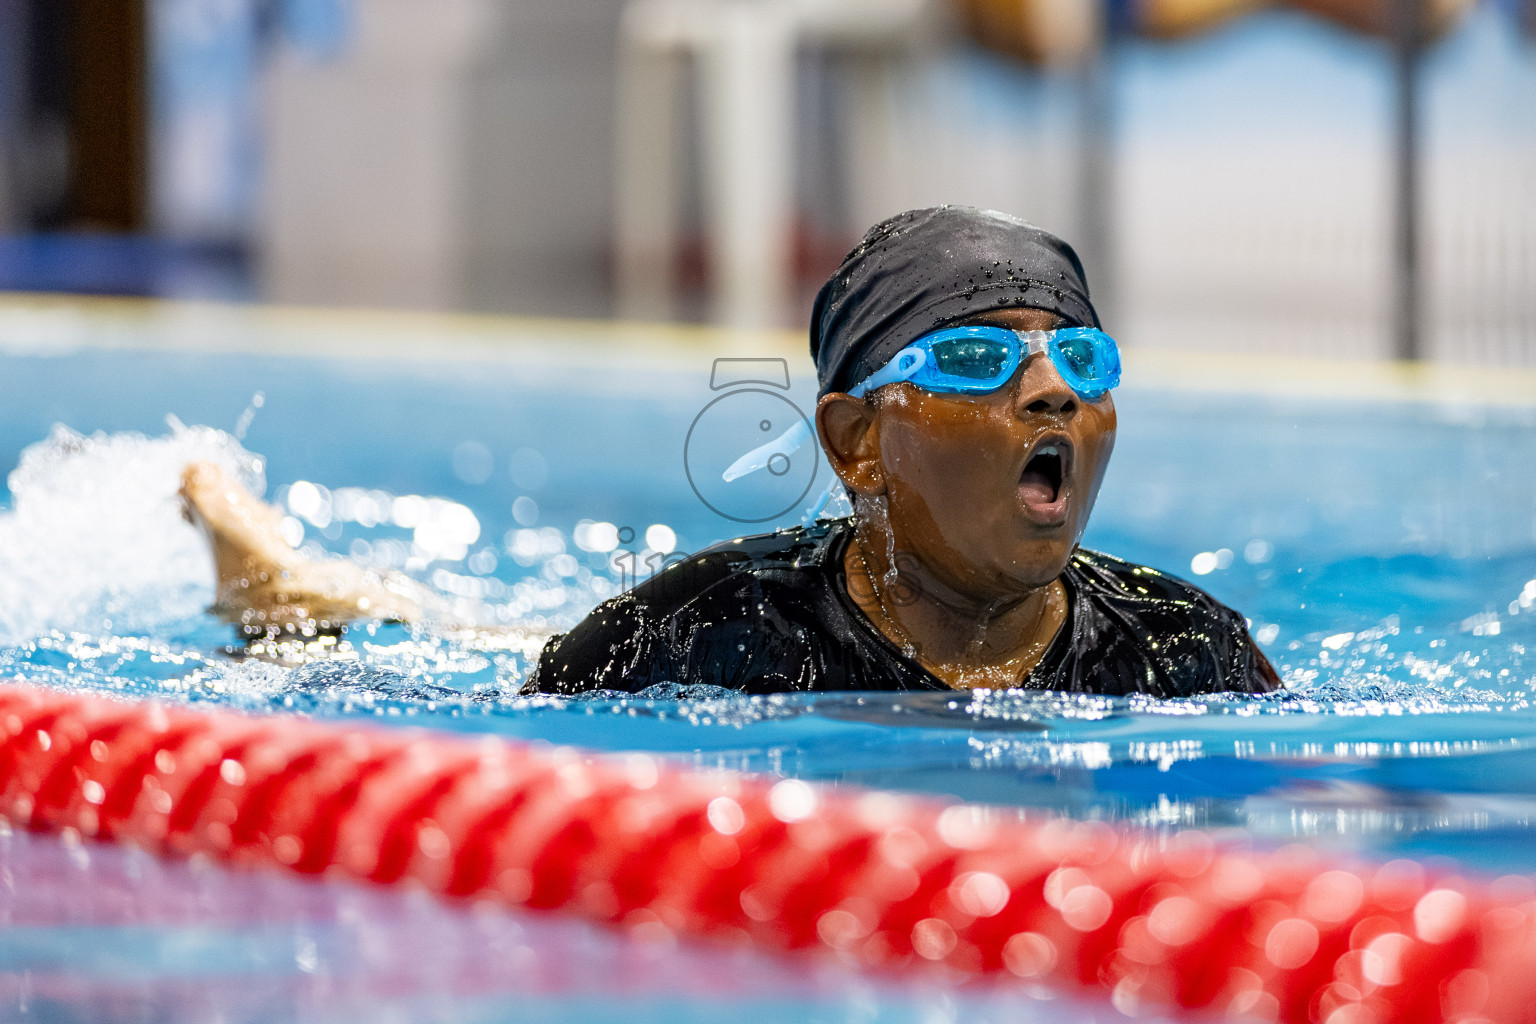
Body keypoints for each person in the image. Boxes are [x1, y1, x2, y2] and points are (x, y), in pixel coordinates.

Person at [185, 206, 1280, 697]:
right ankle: (283, 584)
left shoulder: (1185, 653)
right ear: (860, 445)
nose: (1050, 389)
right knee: (434, 642)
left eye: (1083, 362)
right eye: (977, 358)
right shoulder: (708, 630)